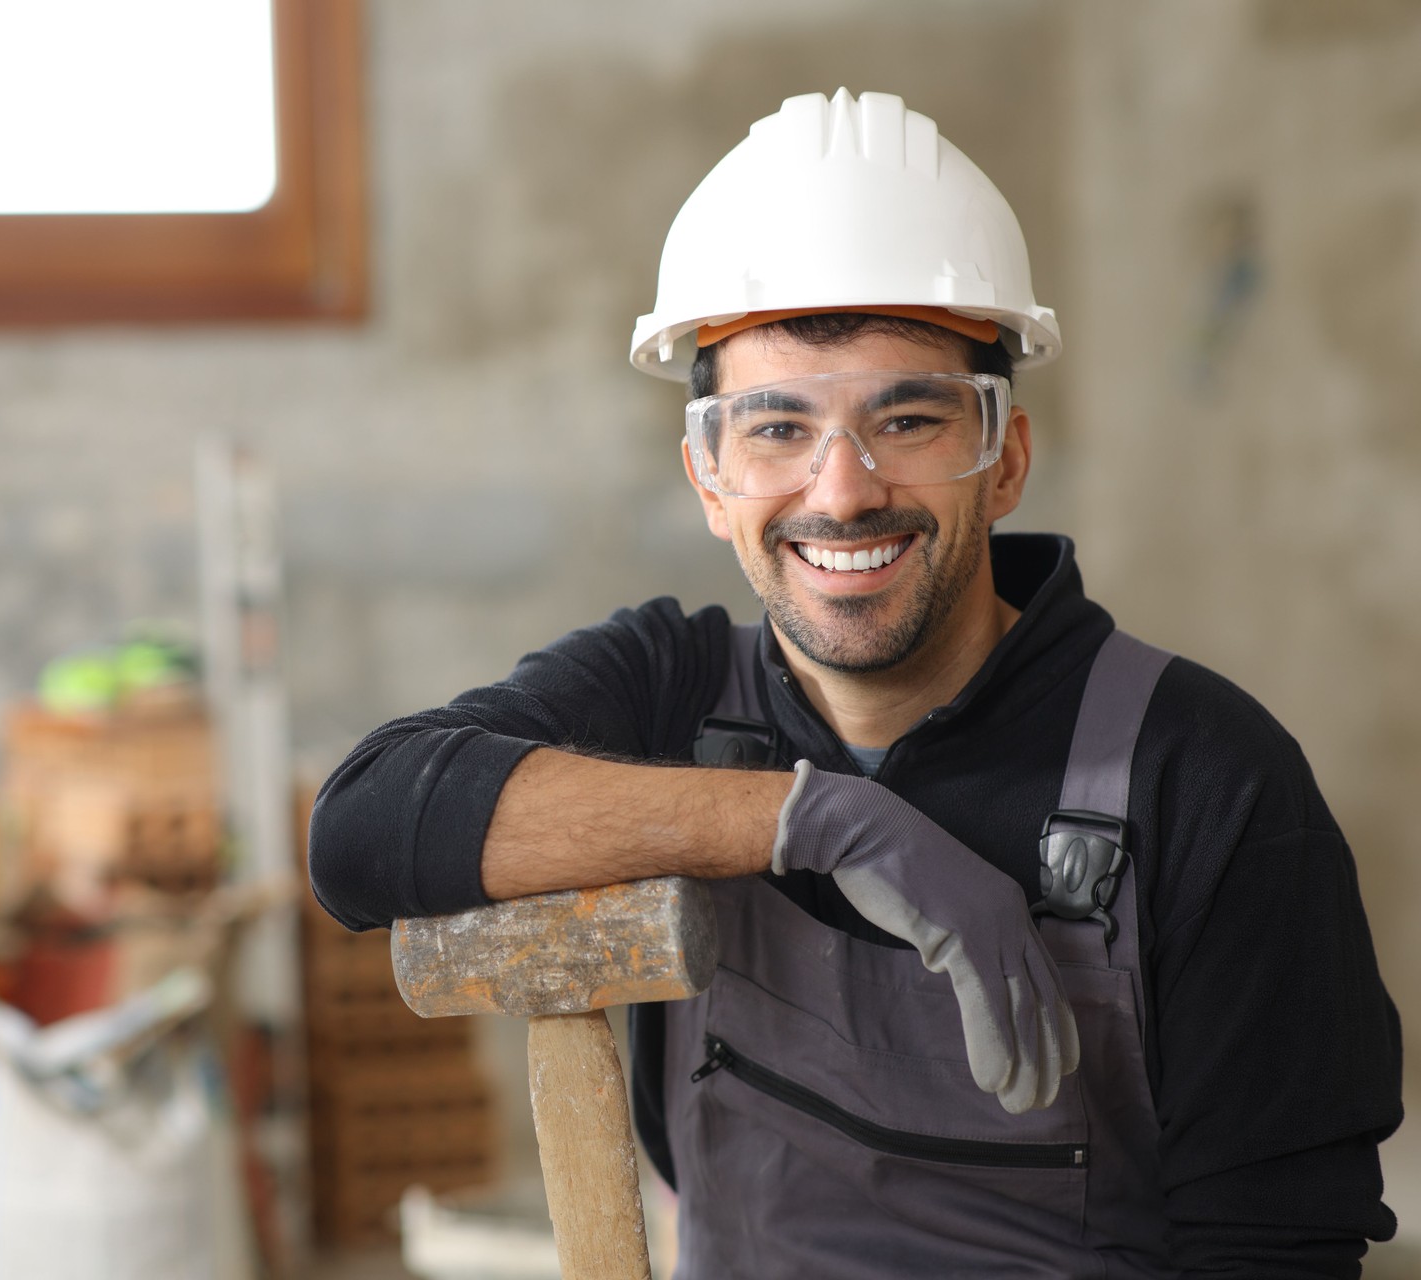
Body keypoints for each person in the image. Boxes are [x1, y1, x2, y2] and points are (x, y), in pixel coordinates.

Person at [308, 88, 1401, 1276]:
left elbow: (1279, 1252)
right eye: (777, 430)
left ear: (1006, 460)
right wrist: (813, 817)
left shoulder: (1204, 778)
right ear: (708, 477)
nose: (842, 490)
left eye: (911, 418)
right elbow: (366, 826)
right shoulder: (670, 694)